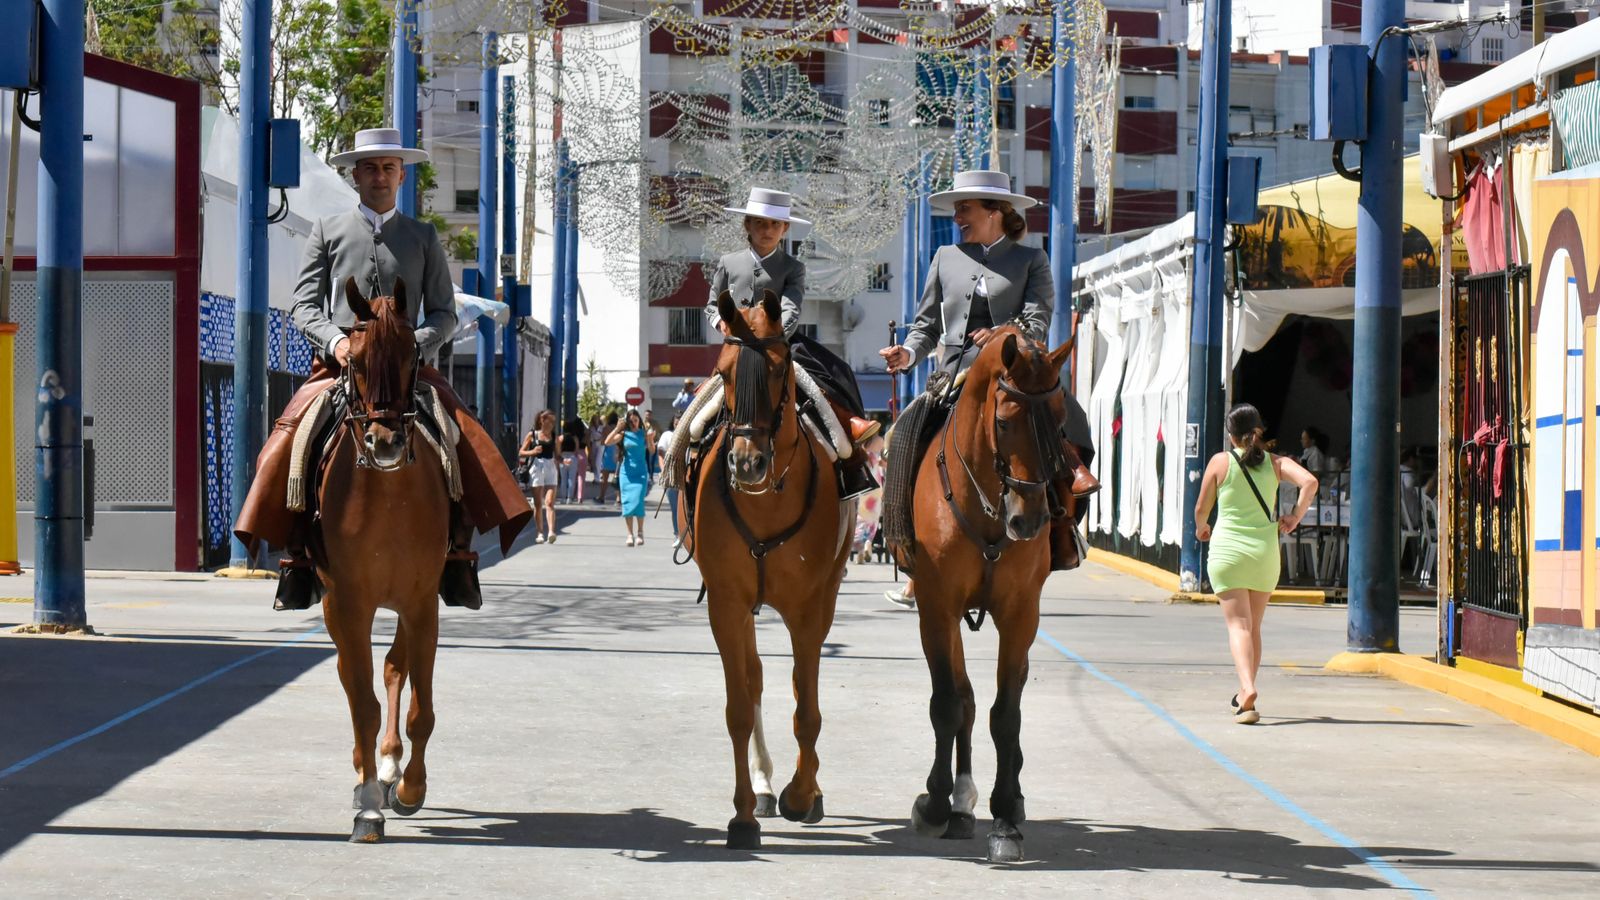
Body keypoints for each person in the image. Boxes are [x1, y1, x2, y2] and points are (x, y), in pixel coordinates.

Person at [233, 127, 530, 611]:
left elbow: (444, 312)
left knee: (462, 436)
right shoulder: (326, 230)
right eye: (370, 168)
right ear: (355, 175)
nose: (380, 176)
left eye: (389, 168)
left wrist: (411, 344)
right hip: (342, 367)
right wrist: (337, 342)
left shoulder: (423, 236)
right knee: (293, 432)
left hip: (407, 370)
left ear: (401, 175)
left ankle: (457, 554)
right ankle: (297, 557)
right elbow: (304, 305)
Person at [877, 168, 1097, 573]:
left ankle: (1063, 530)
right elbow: (926, 325)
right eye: (958, 209)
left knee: (1074, 422)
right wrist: (907, 354)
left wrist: (1001, 333)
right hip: (954, 376)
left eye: (966, 208)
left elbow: (1037, 320)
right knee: (901, 437)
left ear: (995, 211)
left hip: (1013, 374)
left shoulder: (1032, 259)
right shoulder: (945, 257)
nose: (957, 217)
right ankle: (903, 535)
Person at [706, 187, 881, 499]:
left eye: (775, 224)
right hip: (736, 348)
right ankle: (681, 461)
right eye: (760, 223)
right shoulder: (728, 262)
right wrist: (718, 321)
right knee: (697, 417)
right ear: (747, 225)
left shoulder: (793, 267)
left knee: (823, 381)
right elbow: (711, 305)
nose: (767, 230)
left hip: (779, 344)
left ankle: (849, 448)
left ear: (785, 228)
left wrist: (768, 340)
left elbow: (791, 309)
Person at [1193, 404, 1318, 724]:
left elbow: (1201, 509)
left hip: (1228, 553)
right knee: (1254, 627)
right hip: (1264, 554)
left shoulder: (1221, 462)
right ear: (1259, 430)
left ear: (1230, 434)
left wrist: (1202, 528)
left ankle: (1247, 689)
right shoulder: (1277, 464)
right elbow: (1310, 483)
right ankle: (1245, 690)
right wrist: (1294, 517)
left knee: (1239, 626)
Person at [605, 409, 653, 545]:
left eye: (636, 420)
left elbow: (652, 450)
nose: (633, 423)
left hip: (641, 473)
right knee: (627, 503)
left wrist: (650, 440)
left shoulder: (644, 434)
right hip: (626, 473)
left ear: (639, 421)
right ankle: (630, 534)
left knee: (638, 501)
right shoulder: (623, 434)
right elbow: (607, 442)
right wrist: (617, 429)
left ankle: (640, 532)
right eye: (631, 421)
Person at [519, 410, 561, 544]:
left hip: (550, 468)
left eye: (554, 422)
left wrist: (563, 460)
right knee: (538, 504)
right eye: (550, 421)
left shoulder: (554, 436)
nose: (552, 424)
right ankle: (539, 532)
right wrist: (532, 451)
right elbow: (521, 452)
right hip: (536, 468)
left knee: (549, 502)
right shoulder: (532, 435)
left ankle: (552, 532)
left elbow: (558, 455)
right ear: (542, 420)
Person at [657, 415, 681, 546]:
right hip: (671, 476)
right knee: (675, 507)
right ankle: (677, 534)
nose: (678, 425)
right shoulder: (667, 435)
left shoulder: (687, 434)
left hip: (684, 475)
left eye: (680, 422)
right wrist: (663, 470)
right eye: (676, 423)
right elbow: (660, 454)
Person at [595, 411, 620, 505]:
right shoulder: (619, 429)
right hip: (617, 452)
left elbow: (603, 442)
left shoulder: (606, 428)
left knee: (604, 478)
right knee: (617, 477)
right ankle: (618, 498)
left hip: (608, 452)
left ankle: (601, 496)